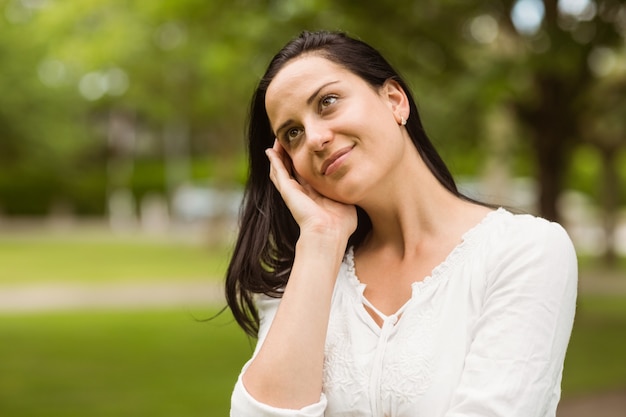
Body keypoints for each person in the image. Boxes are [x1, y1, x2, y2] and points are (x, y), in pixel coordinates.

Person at [226, 30, 577, 417]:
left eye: (327, 102)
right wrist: (321, 240)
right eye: (292, 133)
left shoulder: (523, 251)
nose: (315, 138)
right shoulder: (297, 280)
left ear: (394, 100)